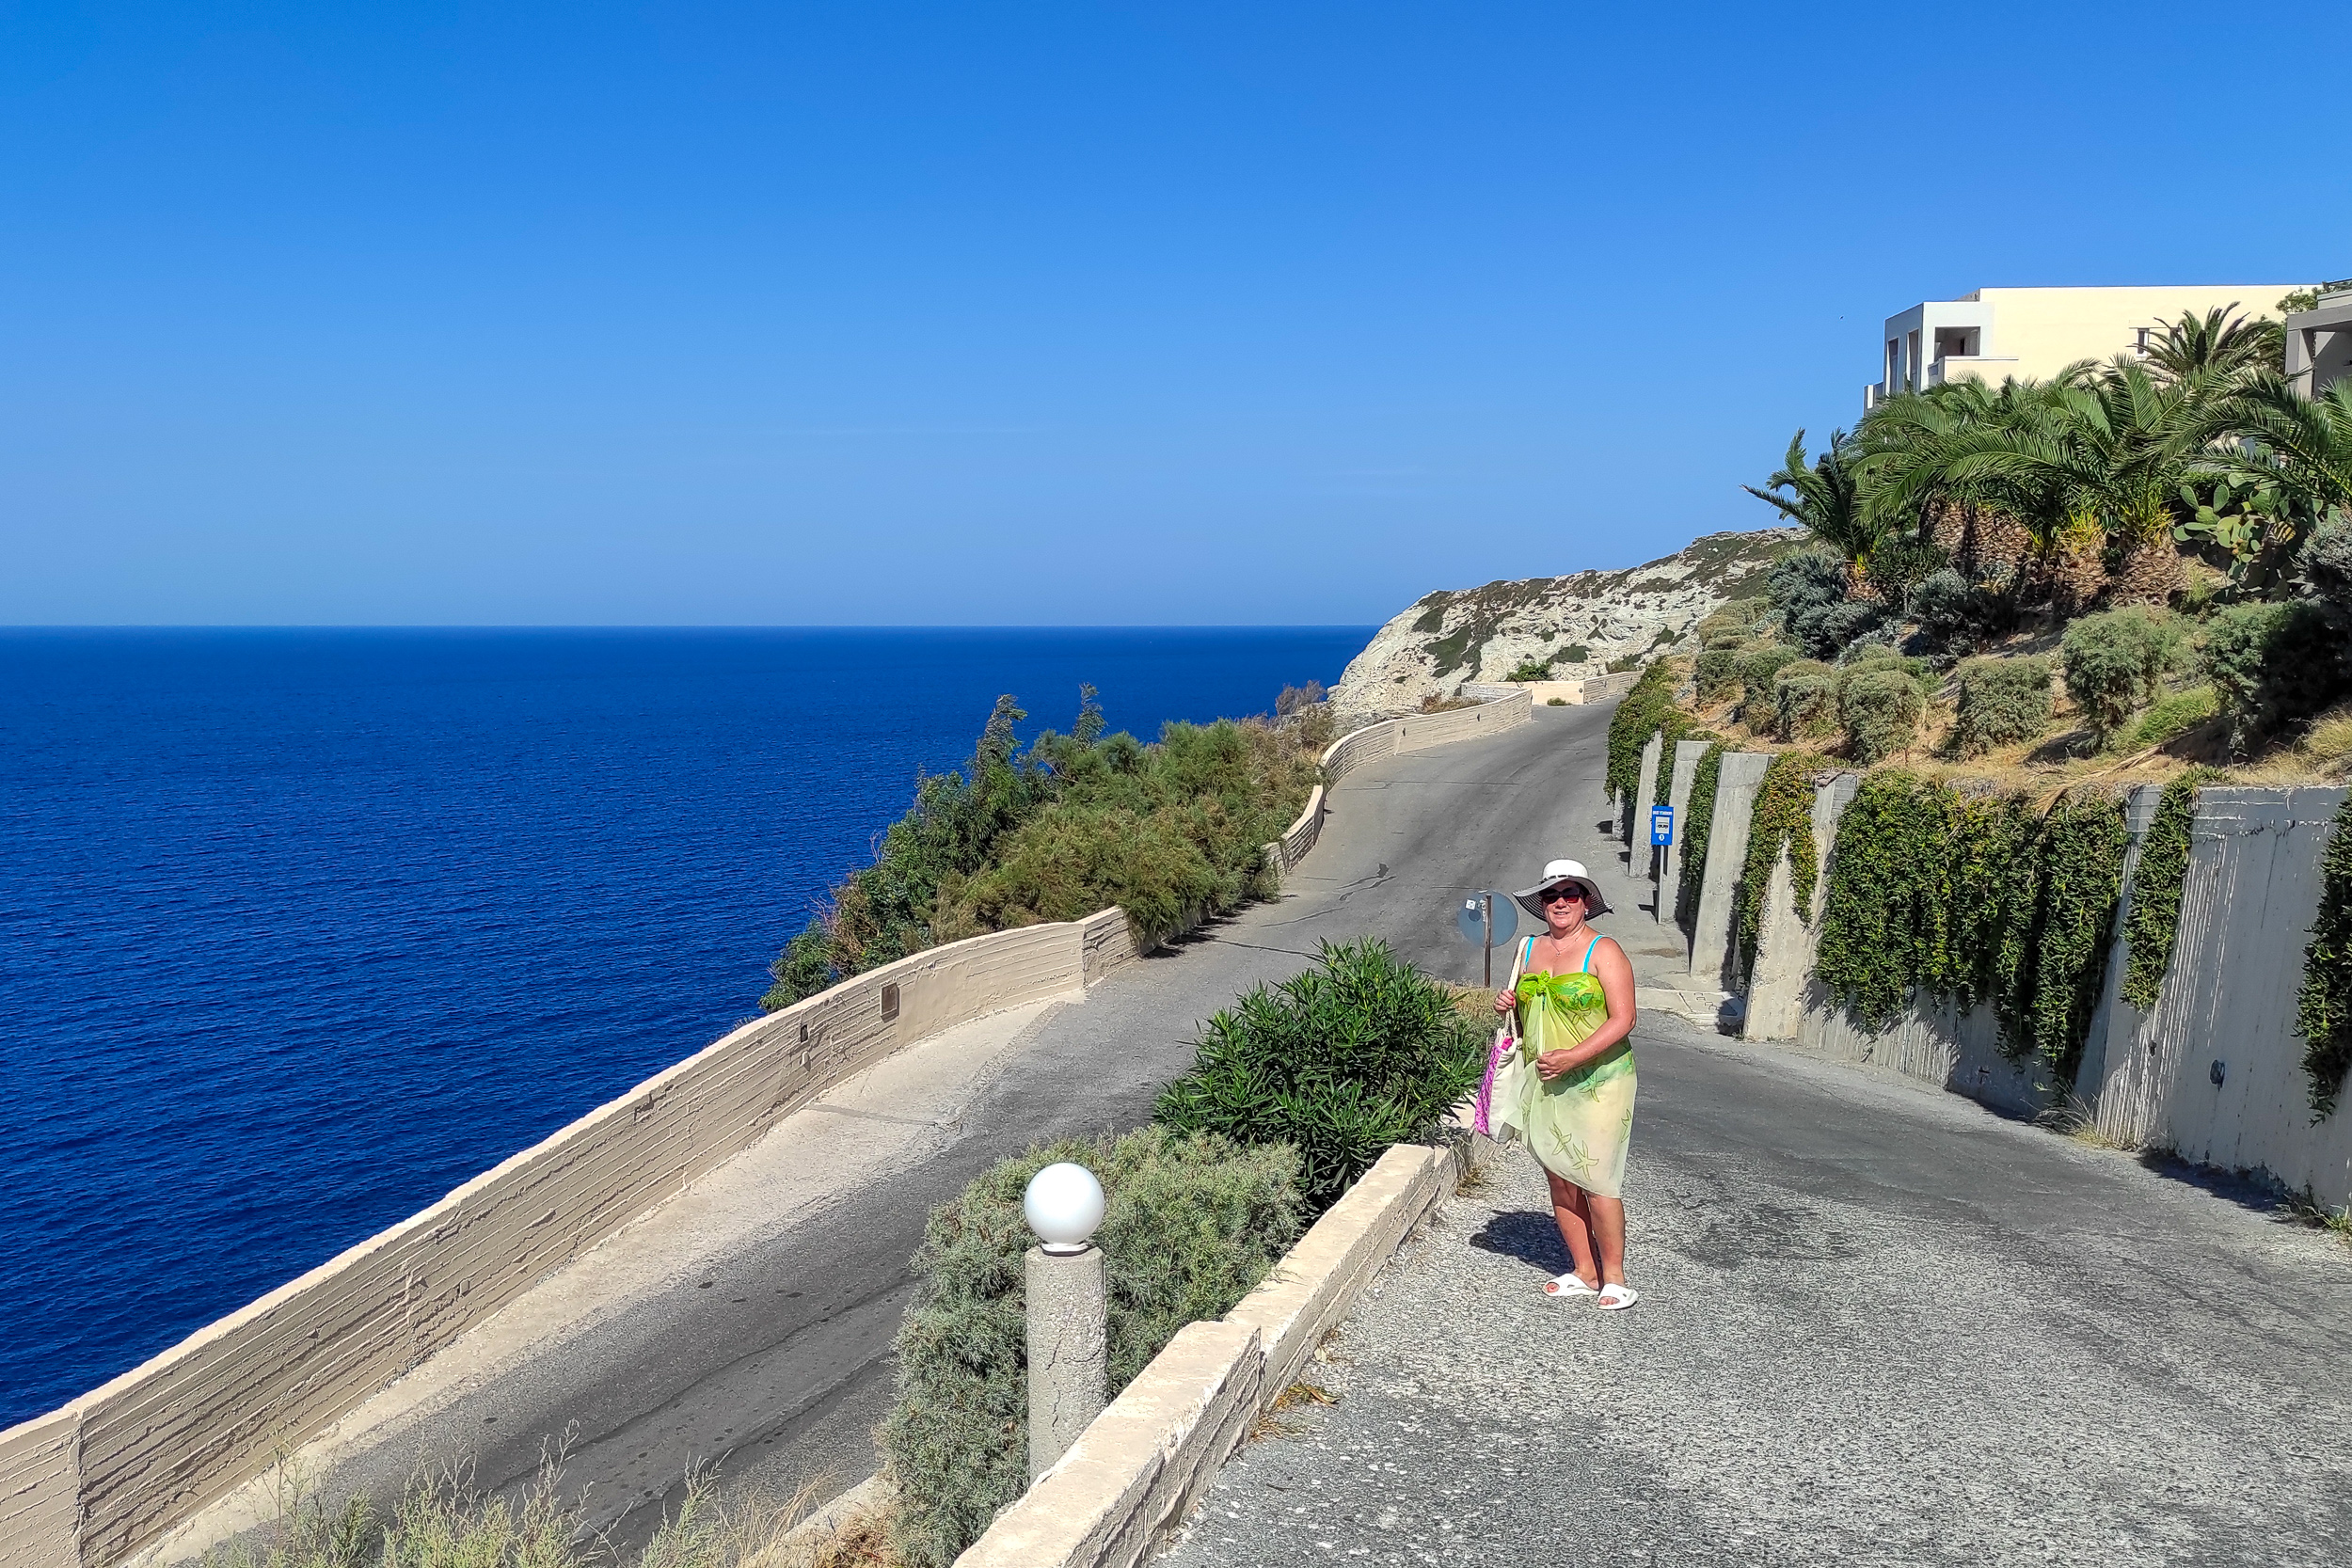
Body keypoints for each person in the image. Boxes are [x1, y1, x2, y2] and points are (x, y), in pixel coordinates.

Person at [1490, 858, 1640, 1309]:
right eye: (1551, 895)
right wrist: (1508, 1004)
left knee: (1597, 1176)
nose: (1560, 902)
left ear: (1586, 902)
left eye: (1570, 894)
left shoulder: (1604, 951)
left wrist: (1574, 1056)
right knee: (1559, 1174)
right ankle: (1584, 1270)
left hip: (1601, 1079)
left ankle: (1615, 1277)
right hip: (1545, 1076)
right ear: (1542, 903)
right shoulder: (1528, 949)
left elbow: (1624, 1019)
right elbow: (1526, 1017)